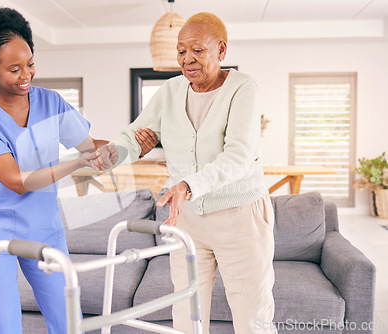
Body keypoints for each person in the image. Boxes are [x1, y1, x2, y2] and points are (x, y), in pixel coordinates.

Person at [0, 7, 123, 333]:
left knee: (67, 322)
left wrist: (113, 147)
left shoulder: (52, 102)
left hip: (44, 226)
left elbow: (89, 146)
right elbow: (18, 182)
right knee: (4, 327)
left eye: (30, 64)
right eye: (14, 69)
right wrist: (76, 163)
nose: (26, 75)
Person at [113, 12, 277, 334]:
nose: (187, 59)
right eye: (181, 51)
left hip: (239, 217)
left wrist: (187, 185)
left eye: (197, 50)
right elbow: (134, 136)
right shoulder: (170, 91)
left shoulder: (243, 88)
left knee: (251, 318)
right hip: (186, 219)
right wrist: (110, 154)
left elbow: (240, 156)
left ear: (221, 50)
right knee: (186, 316)